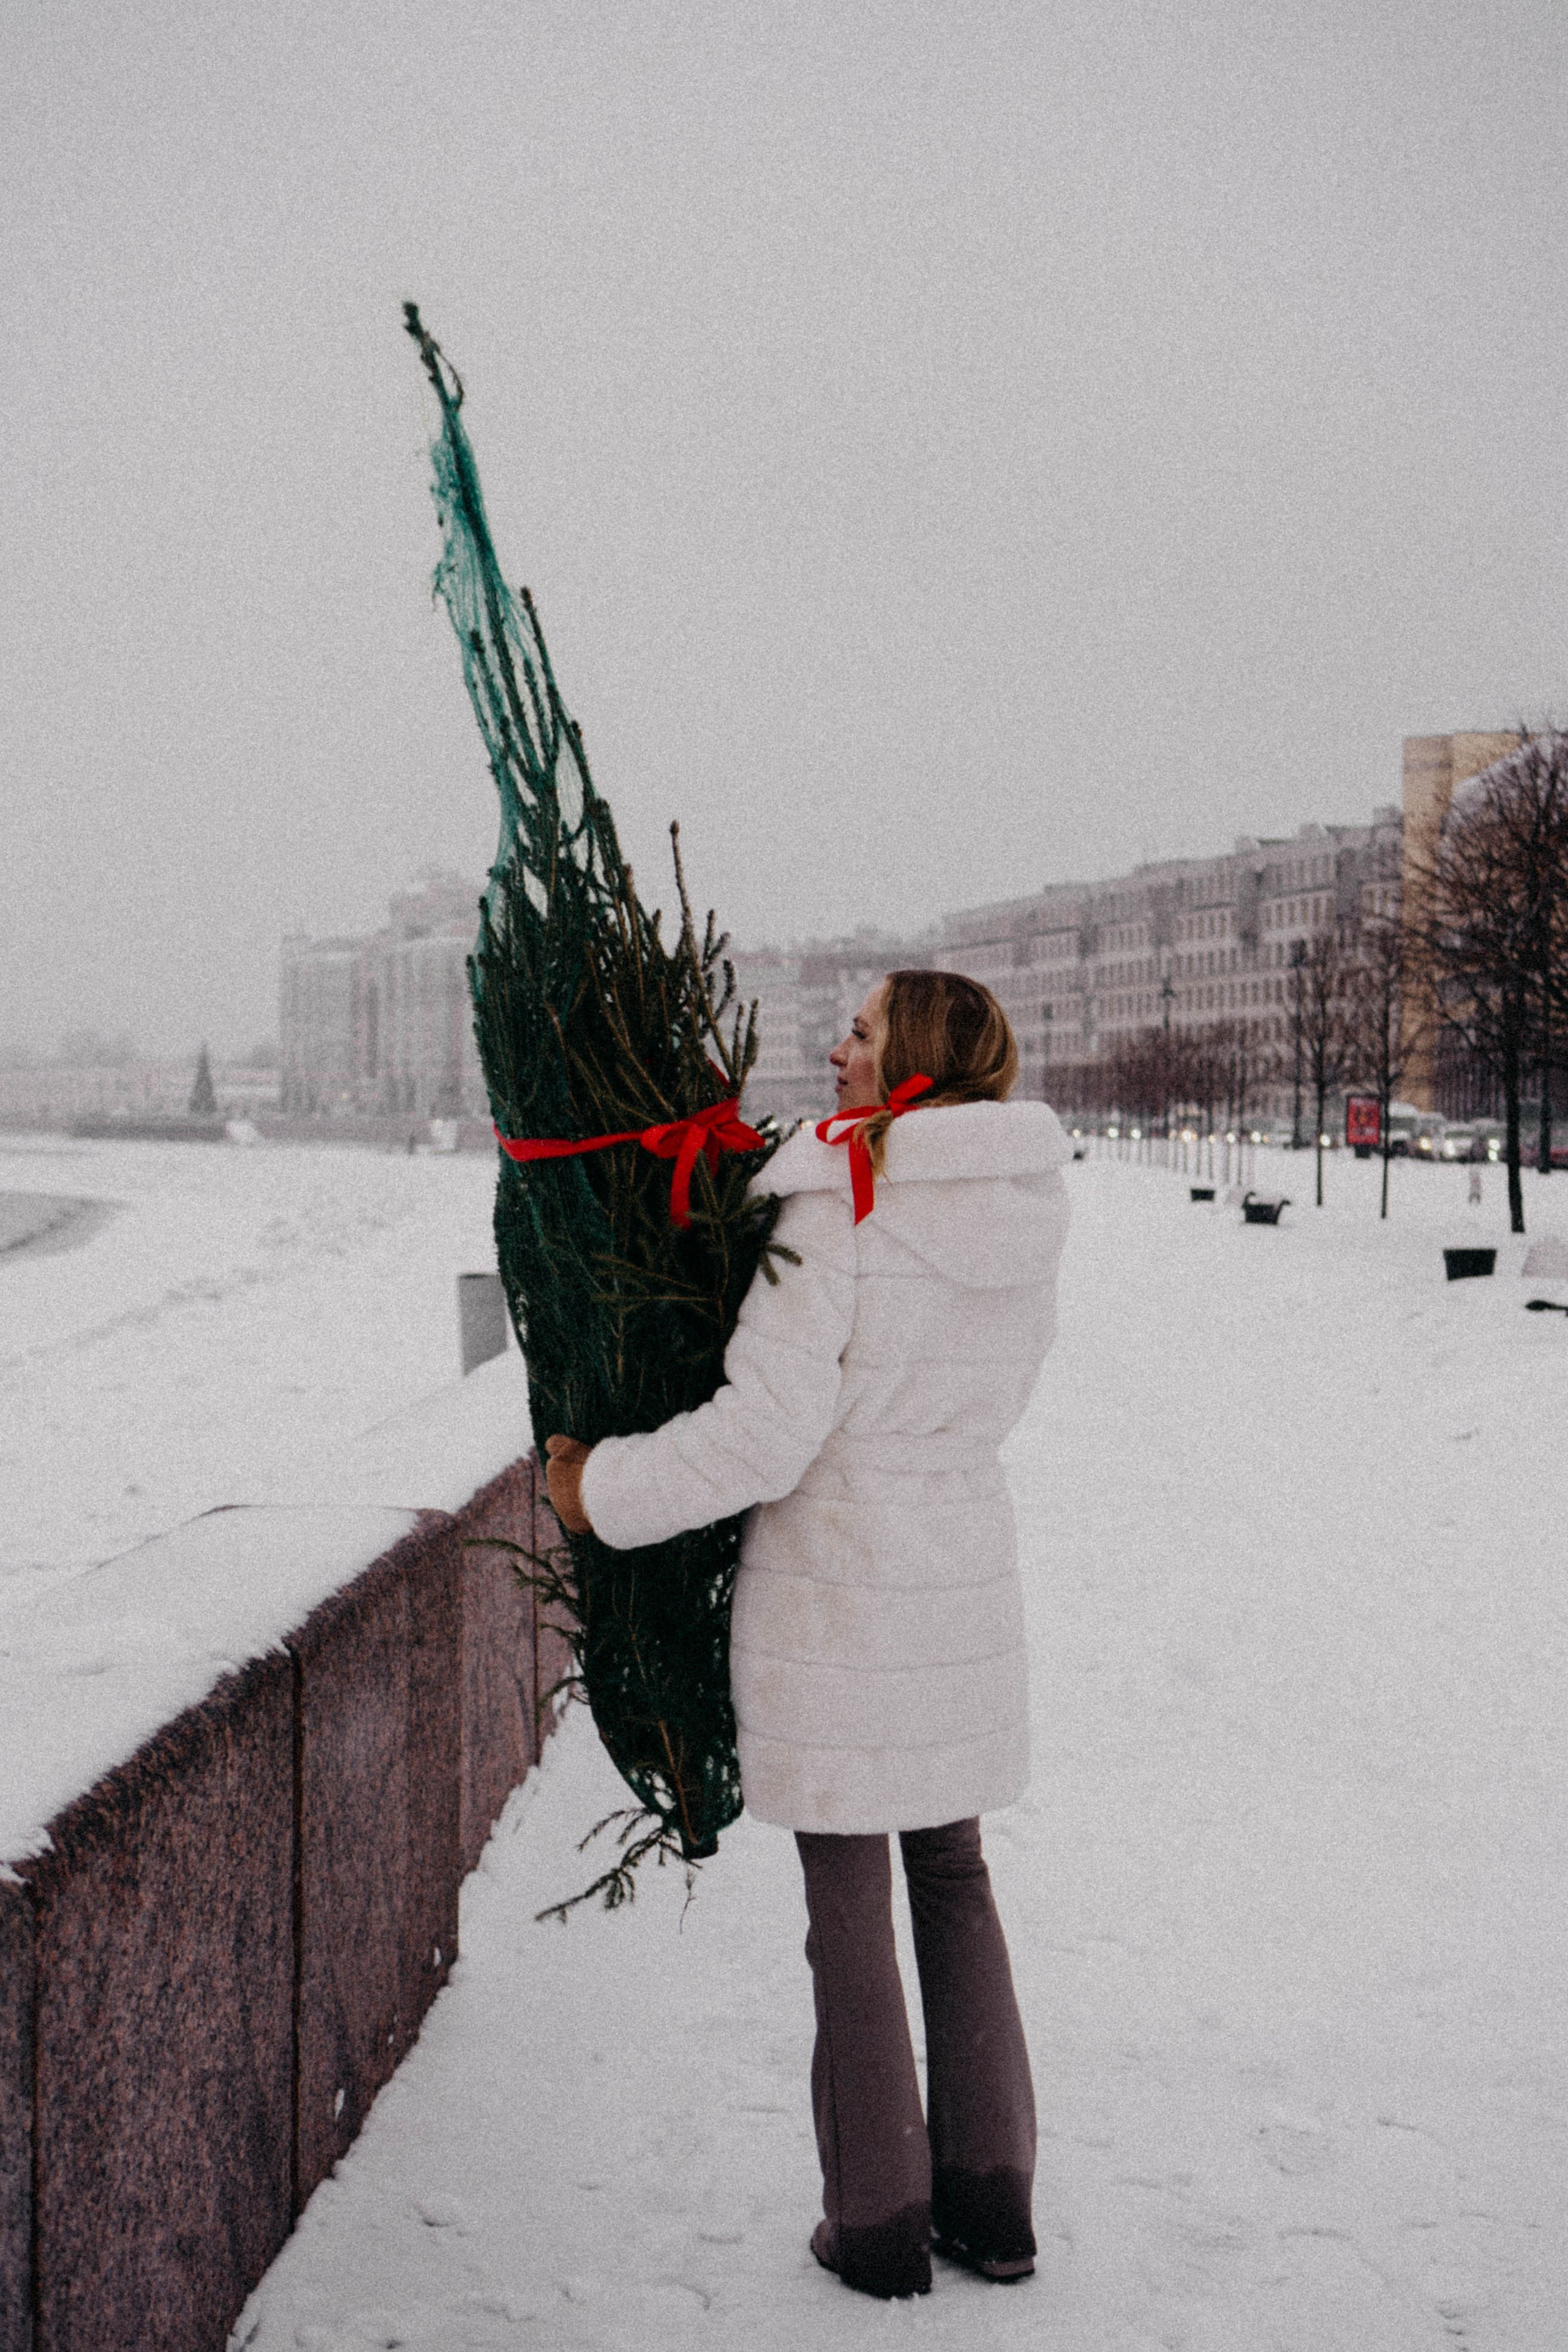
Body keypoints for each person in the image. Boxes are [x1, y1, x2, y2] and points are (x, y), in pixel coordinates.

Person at [545, 968, 1071, 2301]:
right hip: (957, 1571)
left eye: (859, 1031)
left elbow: (766, 1433)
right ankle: (993, 2204)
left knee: (847, 1894)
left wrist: (595, 1491)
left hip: (841, 1580)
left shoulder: (841, 1197)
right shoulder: (1021, 1206)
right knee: (950, 1872)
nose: (833, 1050)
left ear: (911, 1064)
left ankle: (879, 2217)